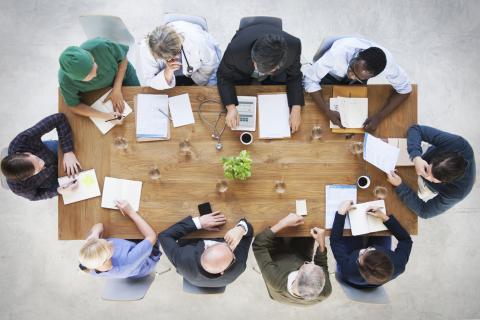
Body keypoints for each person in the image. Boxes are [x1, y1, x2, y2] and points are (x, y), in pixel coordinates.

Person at [302, 37, 412, 132]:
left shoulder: (388, 65)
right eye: (352, 68)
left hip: (355, 84)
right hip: (330, 74)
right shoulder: (339, 51)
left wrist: (379, 117)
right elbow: (310, 80)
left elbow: (405, 89)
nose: (351, 76)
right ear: (357, 55)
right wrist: (327, 111)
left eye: (357, 77)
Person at [217, 23, 304, 133]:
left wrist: (296, 108)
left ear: (278, 65)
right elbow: (223, 75)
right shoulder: (235, 49)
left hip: (274, 78)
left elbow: (295, 76)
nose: (258, 70)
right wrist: (230, 107)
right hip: (243, 73)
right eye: (256, 64)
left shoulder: (294, 46)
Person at [386, 125, 475, 219]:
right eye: (428, 170)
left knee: (393, 199)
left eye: (432, 178)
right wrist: (416, 156)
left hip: (428, 187)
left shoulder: (458, 192)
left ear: (446, 182)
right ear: (439, 156)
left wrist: (400, 185)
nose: (422, 174)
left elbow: (424, 211)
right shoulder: (458, 144)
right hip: (423, 157)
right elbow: (416, 129)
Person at [252, 213, 331, 306]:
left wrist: (283, 223)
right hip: (300, 255)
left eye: (306, 264)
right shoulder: (325, 291)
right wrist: (321, 244)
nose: (307, 263)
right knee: (308, 225)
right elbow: (322, 266)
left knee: (268, 221)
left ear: (296, 276)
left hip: (276, 255)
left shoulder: (275, 280)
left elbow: (258, 244)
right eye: (310, 263)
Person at [158, 211, 253, 288]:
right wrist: (241, 229)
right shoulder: (239, 265)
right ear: (222, 271)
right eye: (230, 247)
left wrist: (199, 223)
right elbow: (249, 233)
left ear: (206, 246)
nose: (228, 243)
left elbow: (164, 236)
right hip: (205, 282)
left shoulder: (183, 259)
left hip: (194, 280)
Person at [330, 200, 413, 288]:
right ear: (385, 256)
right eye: (369, 249)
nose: (361, 250)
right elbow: (406, 240)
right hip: (373, 277)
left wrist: (341, 213)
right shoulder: (398, 264)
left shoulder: (348, 270)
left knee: (351, 231)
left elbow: (335, 241)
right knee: (382, 231)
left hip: (351, 276)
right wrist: (384, 217)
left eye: (361, 255)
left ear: (358, 264)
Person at [1, 113, 81, 201]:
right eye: (38, 169)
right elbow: (36, 196)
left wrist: (68, 151)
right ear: (27, 178)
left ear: (27, 153)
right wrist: (58, 191)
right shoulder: (19, 188)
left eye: (37, 159)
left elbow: (59, 118)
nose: (43, 163)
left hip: (53, 152)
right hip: (52, 179)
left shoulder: (23, 140)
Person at [58, 37, 140, 121]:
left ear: (90, 56)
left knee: (139, 103)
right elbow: (74, 106)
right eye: (89, 76)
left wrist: (117, 89)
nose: (95, 74)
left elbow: (123, 59)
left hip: (123, 74)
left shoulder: (101, 46)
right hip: (98, 92)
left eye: (94, 66)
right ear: (76, 79)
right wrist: (106, 116)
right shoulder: (65, 81)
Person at [78, 200, 160, 279]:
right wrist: (130, 212)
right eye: (109, 247)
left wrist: (95, 234)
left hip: (129, 253)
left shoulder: (91, 262)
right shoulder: (127, 261)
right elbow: (151, 237)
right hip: (145, 258)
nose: (110, 242)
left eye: (103, 240)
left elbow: (99, 225)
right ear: (107, 259)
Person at [137, 22, 221, 89]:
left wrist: (200, 85)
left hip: (197, 74)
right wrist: (168, 72)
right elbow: (150, 79)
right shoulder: (146, 48)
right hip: (169, 80)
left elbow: (210, 67)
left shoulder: (198, 42)